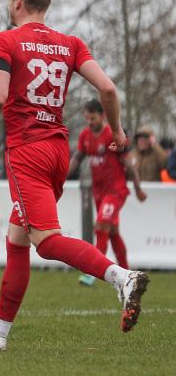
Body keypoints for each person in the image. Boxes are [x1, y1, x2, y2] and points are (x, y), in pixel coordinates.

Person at [0, 0, 150, 352]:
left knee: (45, 242)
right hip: (58, 151)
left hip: (27, 151)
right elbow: (108, 89)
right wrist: (118, 130)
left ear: (16, 2)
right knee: (17, 240)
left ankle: (120, 276)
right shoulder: (71, 43)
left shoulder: (4, 39)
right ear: (46, 5)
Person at [69, 100, 147, 286]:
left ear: (102, 116)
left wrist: (137, 188)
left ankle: (93, 273)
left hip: (115, 190)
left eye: (92, 118)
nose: (89, 121)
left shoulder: (111, 134)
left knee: (101, 225)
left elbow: (128, 163)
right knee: (112, 232)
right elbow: (77, 159)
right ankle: (129, 275)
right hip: (99, 191)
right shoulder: (85, 135)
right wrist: (60, 178)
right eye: (87, 118)